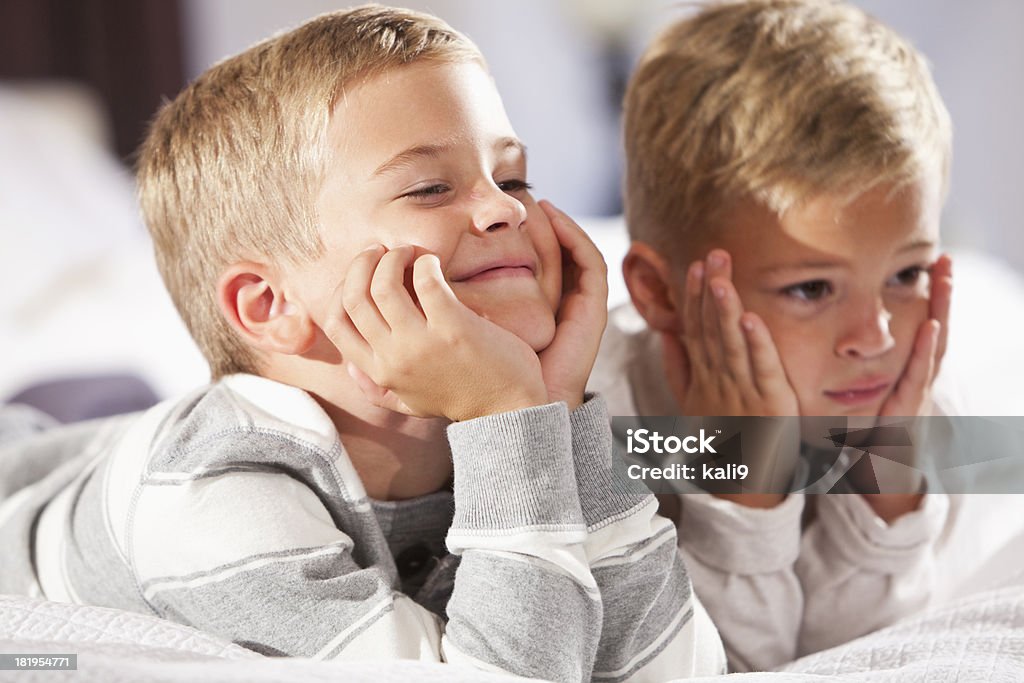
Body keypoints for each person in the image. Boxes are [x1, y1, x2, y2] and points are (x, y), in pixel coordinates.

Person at [0, 6, 725, 680]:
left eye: (512, 175)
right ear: (271, 304)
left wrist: (558, 417)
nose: (506, 207)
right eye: (430, 189)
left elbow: (679, 669)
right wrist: (509, 425)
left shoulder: (505, 408)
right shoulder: (214, 502)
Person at [589, 0, 964, 672]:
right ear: (660, 293)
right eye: (812, 288)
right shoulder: (599, 428)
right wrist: (745, 488)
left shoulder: (911, 412)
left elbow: (862, 660)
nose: (874, 335)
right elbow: (718, 665)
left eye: (906, 273)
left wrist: (885, 487)